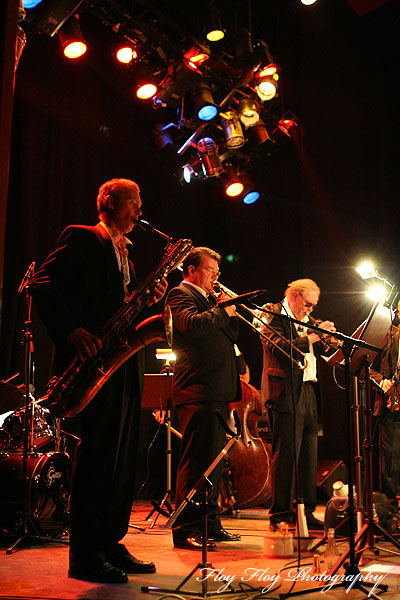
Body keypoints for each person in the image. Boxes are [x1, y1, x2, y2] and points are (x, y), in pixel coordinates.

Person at [32, 178, 167, 583]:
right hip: (92, 362)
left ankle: (110, 541)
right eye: (133, 202)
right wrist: (72, 331)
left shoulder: (124, 250)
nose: (139, 210)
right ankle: (86, 553)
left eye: (141, 202)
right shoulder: (83, 237)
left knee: (123, 457)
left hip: (122, 361)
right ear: (108, 202)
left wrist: (149, 296)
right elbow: (40, 283)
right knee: (98, 457)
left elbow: (117, 303)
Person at [166, 247, 242, 550]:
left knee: (212, 465)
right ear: (192, 270)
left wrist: (226, 310)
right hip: (197, 390)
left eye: (217, 272)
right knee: (196, 463)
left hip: (217, 392)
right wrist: (221, 311)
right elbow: (192, 326)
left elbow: (230, 335)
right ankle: (185, 529)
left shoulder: (211, 301)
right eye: (211, 271)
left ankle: (210, 524)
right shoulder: (179, 294)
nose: (216, 277)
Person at [258, 278, 336, 531]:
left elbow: (321, 351)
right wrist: (313, 337)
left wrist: (328, 339)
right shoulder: (272, 314)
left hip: (308, 390)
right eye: (308, 305)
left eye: (314, 306)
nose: (311, 310)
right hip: (284, 392)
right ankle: (280, 513)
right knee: (286, 454)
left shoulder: (308, 321)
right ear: (294, 296)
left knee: (308, 456)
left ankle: (306, 512)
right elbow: (280, 347)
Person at [370, 312, 400, 511]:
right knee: (390, 458)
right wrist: (382, 381)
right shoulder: (385, 334)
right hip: (392, 403)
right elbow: (365, 365)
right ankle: (390, 508)